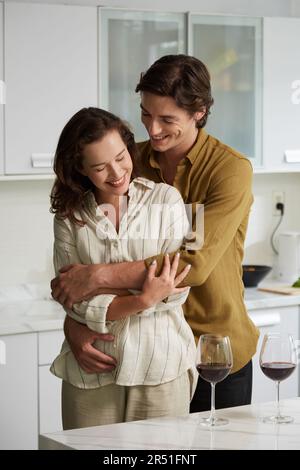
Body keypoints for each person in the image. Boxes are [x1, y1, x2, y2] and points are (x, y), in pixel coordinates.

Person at [51, 54, 259, 413]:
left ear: (199, 112)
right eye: (146, 114)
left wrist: (97, 277)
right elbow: (87, 262)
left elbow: (194, 264)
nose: (153, 129)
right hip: (142, 346)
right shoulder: (127, 161)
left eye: (167, 119)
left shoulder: (229, 170)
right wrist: (76, 325)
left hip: (213, 349)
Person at [49, 107, 198, 429]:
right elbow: (72, 298)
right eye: (100, 167)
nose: (116, 172)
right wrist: (144, 297)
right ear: (80, 168)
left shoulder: (169, 199)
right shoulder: (68, 217)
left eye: (120, 157)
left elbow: (181, 285)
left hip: (161, 364)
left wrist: (97, 281)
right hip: (92, 366)